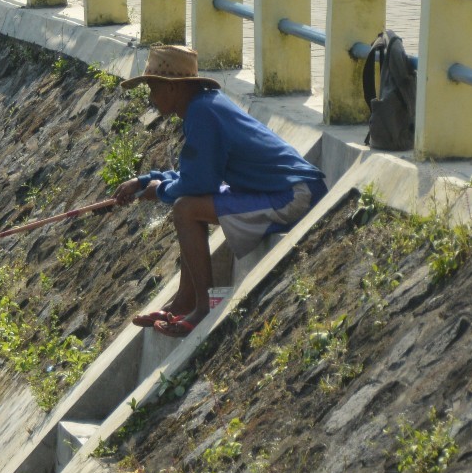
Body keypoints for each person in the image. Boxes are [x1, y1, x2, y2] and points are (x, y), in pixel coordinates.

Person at [114, 45, 327, 337]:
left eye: (153, 87)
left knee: (185, 209)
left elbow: (200, 184)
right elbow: (198, 175)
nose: (150, 97)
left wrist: (160, 190)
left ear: (172, 88)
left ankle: (202, 307)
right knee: (187, 204)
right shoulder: (204, 106)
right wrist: (144, 182)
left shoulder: (202, 113)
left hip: (294, 194)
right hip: (283, 189)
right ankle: (183, 302)